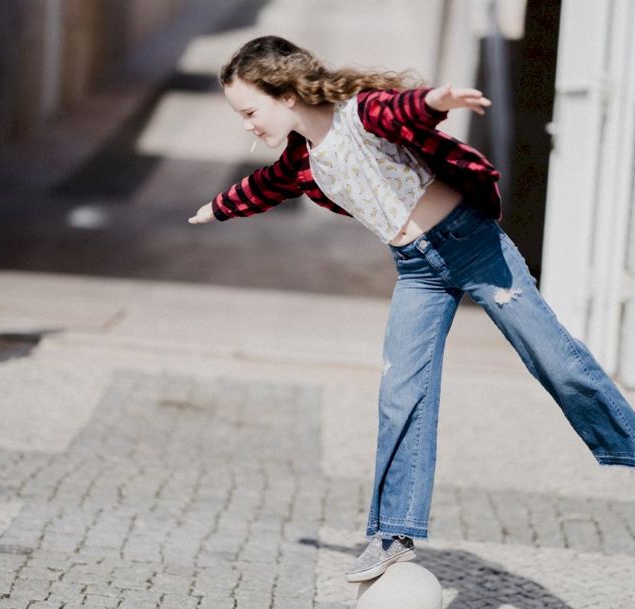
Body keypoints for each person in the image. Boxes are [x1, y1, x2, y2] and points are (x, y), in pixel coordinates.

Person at [189, 35, 635, 583]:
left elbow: (402, 109)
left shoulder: (360, 113)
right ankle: (393, 533)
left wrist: (438, 100)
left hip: (474, 246)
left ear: (285, 94)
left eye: (250, 111)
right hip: (417, 271)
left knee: (554, 360)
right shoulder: (301, 159)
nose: (247, 126)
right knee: (401, 393)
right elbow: (264, 186)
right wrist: (217, 207)